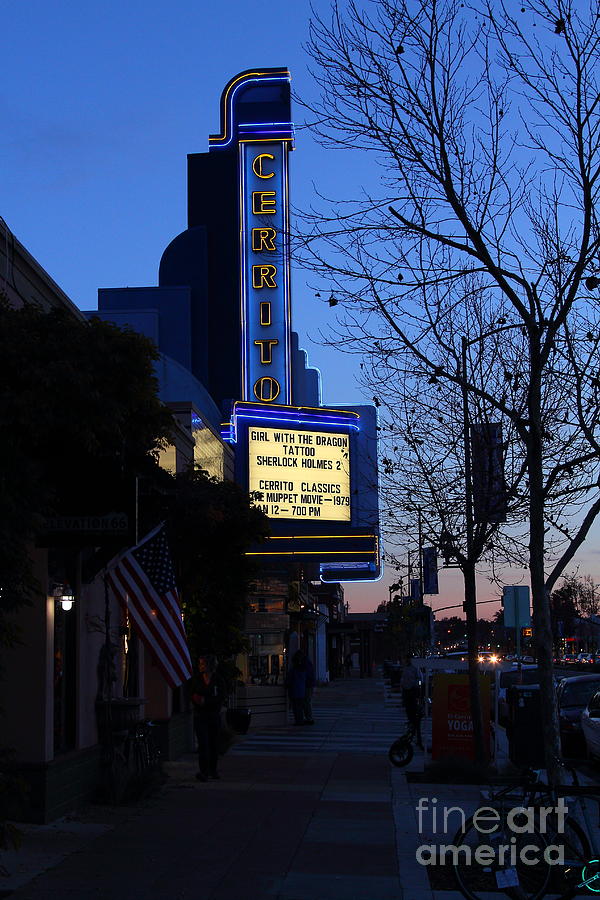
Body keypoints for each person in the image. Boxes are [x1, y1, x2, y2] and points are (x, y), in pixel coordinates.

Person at [189, 654, 226, 781]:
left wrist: (207, 701)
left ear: (210, 665)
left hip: (213, 715)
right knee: (203, 744)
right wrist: (198, 700)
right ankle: (203, 772)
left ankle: (213, 770)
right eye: (200, 664)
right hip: (200, 716)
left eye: (203, 664)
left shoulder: (218, 680)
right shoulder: (197, 679)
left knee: (213, 743)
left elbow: (221, 697)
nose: (200, 666)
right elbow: (192, 693)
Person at [401, 655, 424, 749]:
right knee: (411, 717)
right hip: (407, 693)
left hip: (413, 693)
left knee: (415, 718)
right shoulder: (406, 669)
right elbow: (403, 681)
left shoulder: (415, 669)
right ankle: (413, 735)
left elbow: (420, 680)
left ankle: (417, 737)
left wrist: (417, 687)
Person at [286, 650, 310, 725]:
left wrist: (286, 684)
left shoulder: (293, 671)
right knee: (300, 706)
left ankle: (299, 721)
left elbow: (289, 681)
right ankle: (301, 720)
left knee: (296, 707)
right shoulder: (303, 670)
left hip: (295, 691)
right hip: (302, 691)